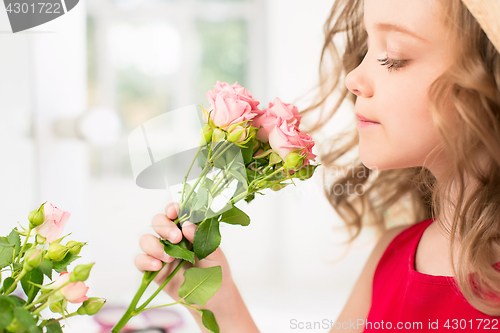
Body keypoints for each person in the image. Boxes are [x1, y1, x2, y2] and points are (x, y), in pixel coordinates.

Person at [134, 0, 500, 331]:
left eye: (393, 56)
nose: (352, 77)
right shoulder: (389, 258)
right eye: (366, 48)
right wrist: (219, 304)